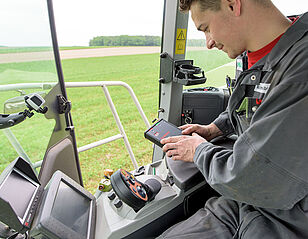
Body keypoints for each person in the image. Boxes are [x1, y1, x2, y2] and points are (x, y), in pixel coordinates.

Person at [157, 0, 308, 238]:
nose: (208, 43)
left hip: (286, 216)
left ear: (231, 4)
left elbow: (251, 176)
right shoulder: (257, 55)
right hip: (245, 204)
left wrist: (198, 150)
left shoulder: (300, 67)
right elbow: (253, 105)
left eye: (206, 28)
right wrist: (214, 128)